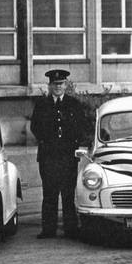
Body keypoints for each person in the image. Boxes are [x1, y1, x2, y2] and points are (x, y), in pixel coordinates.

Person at [29, 69, 87, 239]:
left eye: (60, 84)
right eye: (54, 84)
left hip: (68, 157)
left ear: (66, 85)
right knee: (49, 193)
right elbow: (35, 127)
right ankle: (48, 229)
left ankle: (70, 229)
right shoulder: (42, 105)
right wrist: (48, 142)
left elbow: (81, 126)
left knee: (68, 193)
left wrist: (73, 144)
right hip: (48, 157)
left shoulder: (73, 104)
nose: (57, 87)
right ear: (49, 86)